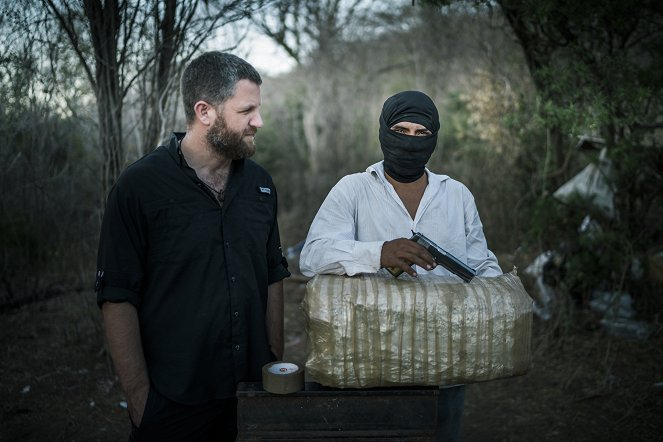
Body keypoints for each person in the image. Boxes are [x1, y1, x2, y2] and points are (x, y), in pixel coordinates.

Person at [95, 52, 290, 441]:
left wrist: (272, 357)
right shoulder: (139, 188)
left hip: (251, 395)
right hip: (174, 403)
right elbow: (117, 297)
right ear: (205, 111)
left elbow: (272, 273)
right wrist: (140, 399)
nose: (259, 122)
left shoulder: (260, 185)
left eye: (258, 109)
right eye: (246, 110)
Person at [299, 90, 502, 441]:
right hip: (371, 358)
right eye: (401, 130)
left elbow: (482, 263)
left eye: (421, 134)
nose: (410, 142)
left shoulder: (456, 195)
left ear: (434, 139)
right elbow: (312, 256)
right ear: (383, 132)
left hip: (445, 360)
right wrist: (378, 252)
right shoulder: (354, 189)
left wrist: (496, 293)